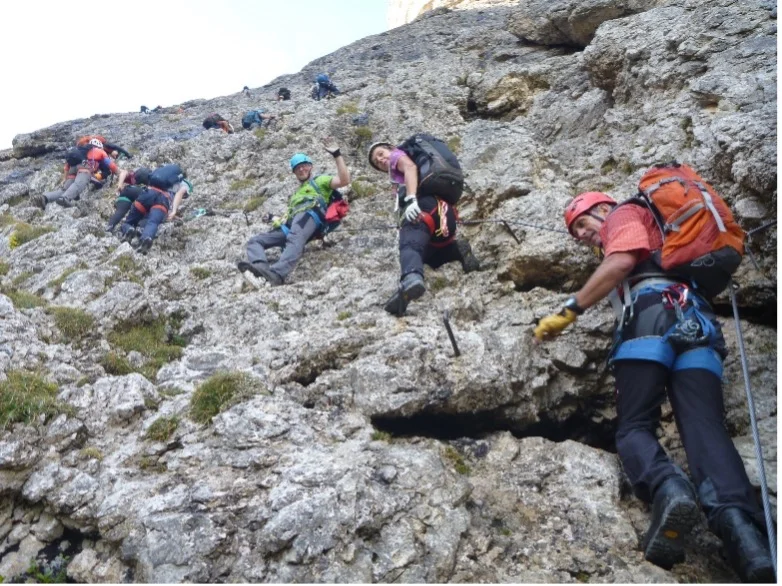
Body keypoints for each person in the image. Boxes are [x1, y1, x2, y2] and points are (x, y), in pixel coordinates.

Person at [533, 191, 774, 583]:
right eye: (576, 233)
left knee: (632, 428)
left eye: (583, 223)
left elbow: (623, 259)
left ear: (604, 209)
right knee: (705, 430)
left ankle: (669, 487)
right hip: (698, 323)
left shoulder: (624, 214)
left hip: (651, 316)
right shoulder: (665, 235)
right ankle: (747, 542)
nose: (582, 235)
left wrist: (569, 311)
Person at [367, 141, 480, 316]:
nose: (380, 160)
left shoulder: (398, 155)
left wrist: (411, 199)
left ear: (391, 148)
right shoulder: (403, 173)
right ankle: (455, 250)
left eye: (381, 154)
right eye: (376, 162)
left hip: (424, 209)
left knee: (410, 244)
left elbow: (410, 168)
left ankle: (410, 277)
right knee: (426, 256)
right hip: (445, 216)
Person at [237, 137, 349, 286]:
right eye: (297, 168)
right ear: (294, 172)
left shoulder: (320, 181)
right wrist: (274, 218)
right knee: (255, 241)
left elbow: (344, 180)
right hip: (291, 223)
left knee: (295, 238)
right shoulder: (296, 194)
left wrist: (337, 155)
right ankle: (260, 271)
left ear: (310, 166)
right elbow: (289, 216)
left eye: (304, 166)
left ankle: (276, 275)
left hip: (309, 216)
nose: (301, 169)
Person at [119, 164, 192, 254]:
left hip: (148, 194)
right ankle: (146, 238)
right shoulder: (182, 184)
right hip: (163, 200)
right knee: (153, 222)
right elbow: (180, 193)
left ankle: (128, 228)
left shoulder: (160, 175)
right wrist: (174, 211)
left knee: (129, 221)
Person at [32, 139, 120, 209]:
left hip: (72, 169)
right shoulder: (99, 151)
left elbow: (66, 166)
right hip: (84, 168)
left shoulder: (80, 150)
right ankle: (65, 198)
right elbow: (110, 164)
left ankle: (44, 198)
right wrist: (118, 173)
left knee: (64, 190)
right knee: (79, 184)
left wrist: (65, 178)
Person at [105, 167, 152, 233]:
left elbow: (123, 172)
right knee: (147, 209)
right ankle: (139, 227)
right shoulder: (152, 179)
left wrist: (120, 185)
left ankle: (110, 226)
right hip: (142, 192)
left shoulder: (133, 175)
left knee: (120, 211)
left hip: (128, 191)